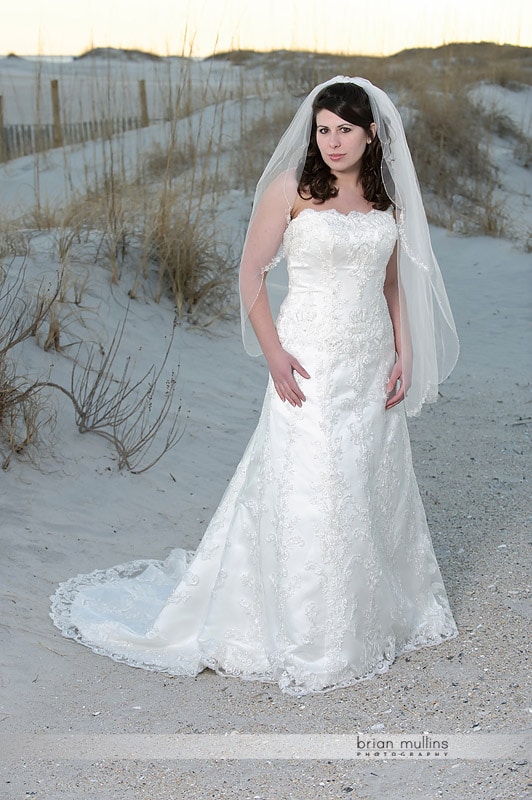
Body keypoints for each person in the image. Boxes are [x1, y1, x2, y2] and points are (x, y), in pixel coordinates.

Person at [50, 77, 459, 696]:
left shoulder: (387, 202)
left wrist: (403, 353)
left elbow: (393, 285)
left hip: (369, 362)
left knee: (366, 480)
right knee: (313, 484)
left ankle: (368, 617)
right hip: (308, 361)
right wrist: (273, 353)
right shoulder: (291, 190)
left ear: (371, 133)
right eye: (323, 129)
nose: (332, 142)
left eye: (345, 130)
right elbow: (251, 272)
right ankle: (310, 634)